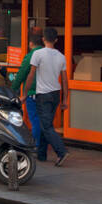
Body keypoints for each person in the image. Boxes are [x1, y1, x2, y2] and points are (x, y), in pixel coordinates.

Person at [22, 27, 69, 166]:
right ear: (56, 40)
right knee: (45, 124)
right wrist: (65, 99)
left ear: (43, 39)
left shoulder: (38, 54)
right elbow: (65, 80)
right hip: (56, 94)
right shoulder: (61, 56)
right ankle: (41, 154)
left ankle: (61, 152)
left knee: (46, 126)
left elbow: (31, 75)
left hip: (43, 94)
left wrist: (25, 93)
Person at [11, 31, 46, 160]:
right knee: (45, 121)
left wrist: (13, 89)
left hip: (33, 93)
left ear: (30, 44)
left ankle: (36, 146)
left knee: (35, 120)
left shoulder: (31, 55)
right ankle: (43, 148)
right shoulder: (49, 55)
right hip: (49, 93)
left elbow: (22, 74)